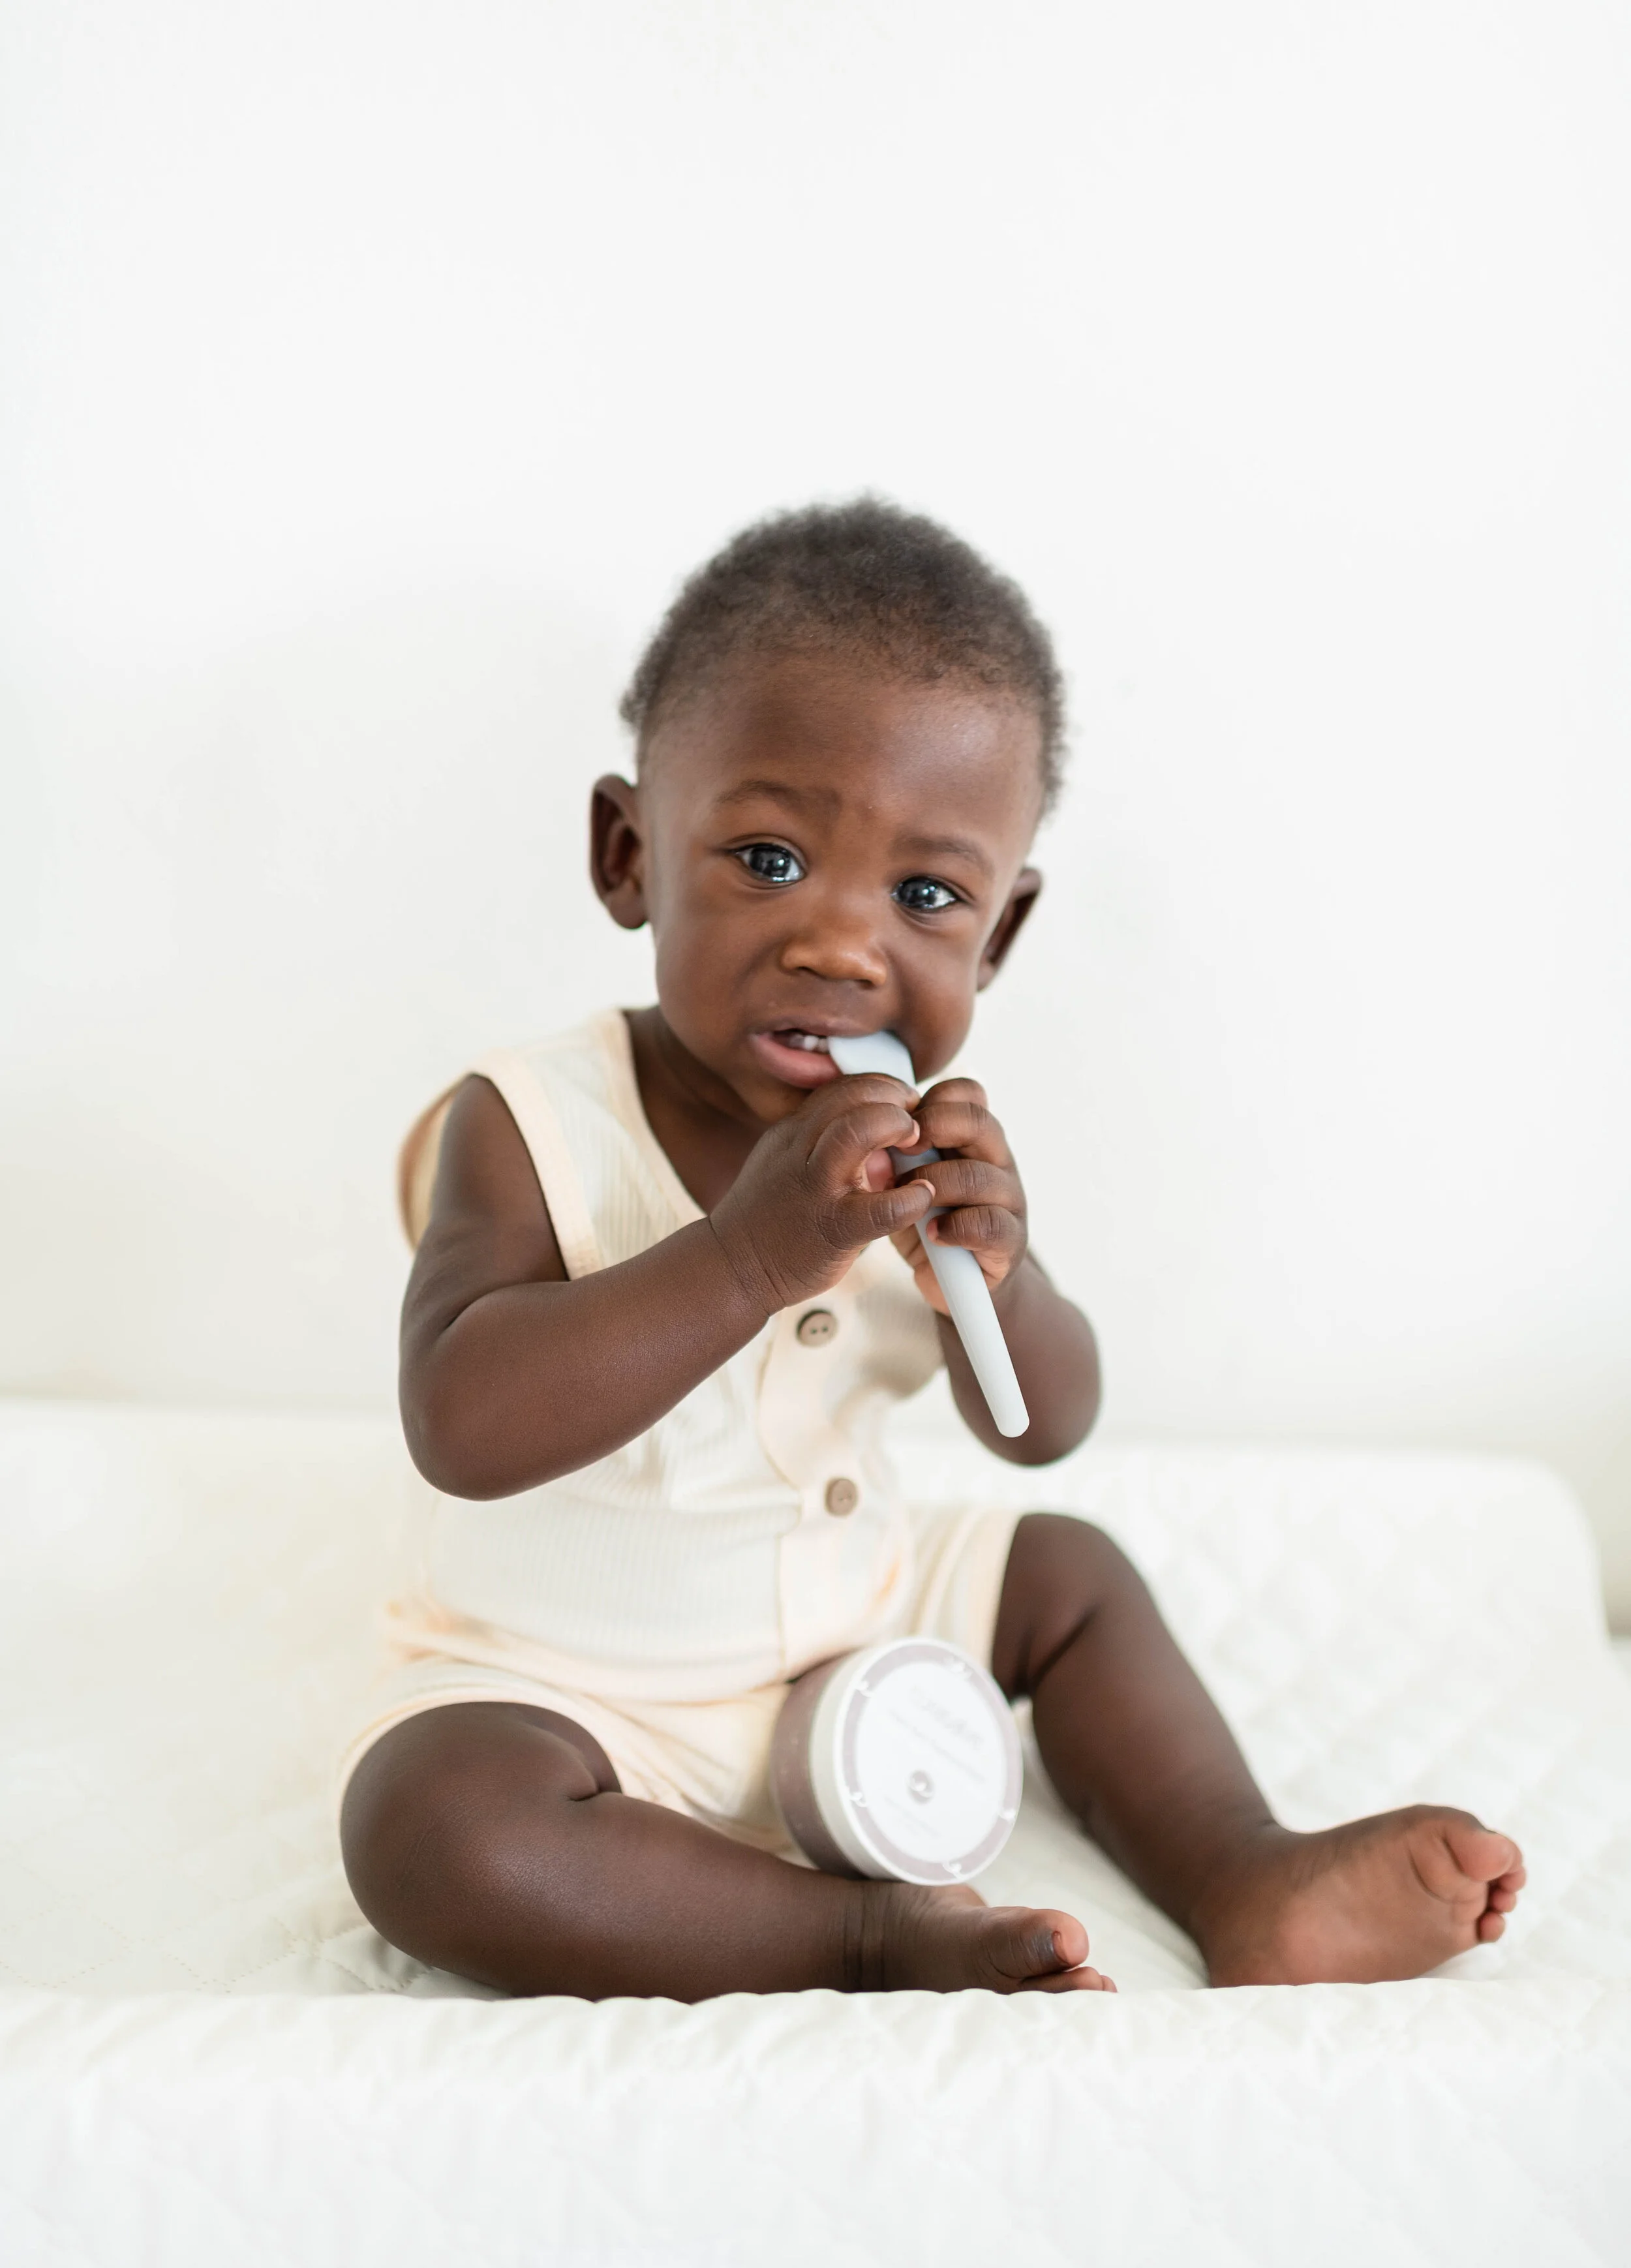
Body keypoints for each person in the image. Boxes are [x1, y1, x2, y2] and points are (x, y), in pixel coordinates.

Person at [339, 499, 1524, 2000]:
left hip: (855, 1636)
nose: (839, 943)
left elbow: (1044, 1428)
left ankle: (1242, 1873)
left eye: (922, 896)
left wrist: (1002, 1278)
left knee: (1065, 1571)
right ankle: (861, 1935)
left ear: (997, 935)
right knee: (426, 1832)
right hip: (569, 1693)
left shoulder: (915, 1149)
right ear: (629, 851)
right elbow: (462, 1420)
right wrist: (754, 1253)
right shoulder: (525, 1119)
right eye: (766, 857)